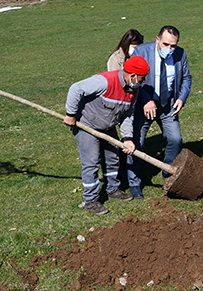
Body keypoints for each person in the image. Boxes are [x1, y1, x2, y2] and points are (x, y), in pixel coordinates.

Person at [64, 55, 150, 215]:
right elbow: (76, 88)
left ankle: (112, 190)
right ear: (132, 76)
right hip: (87, 126)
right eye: (142, 78)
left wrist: (128, 138)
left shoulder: (134, 91)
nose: (143, 82)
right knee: (91, 163)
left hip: (108, 127)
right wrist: (70, 114)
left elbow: (127, 115)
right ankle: (91, 200)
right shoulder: (104, 81)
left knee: (112, 158)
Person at [128, 26, 192, 198]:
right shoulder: (141, 52)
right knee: (136, 144)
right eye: (166, 44)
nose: (169, 49)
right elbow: (132, 80)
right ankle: (134, 183)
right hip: (144, 106)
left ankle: (168, 172)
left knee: (175, 139)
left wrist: (181, 98)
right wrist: (146, 100)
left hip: (168, 105)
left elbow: (186, 78)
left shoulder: (180, 53)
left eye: (173, 45)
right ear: (157, 40)